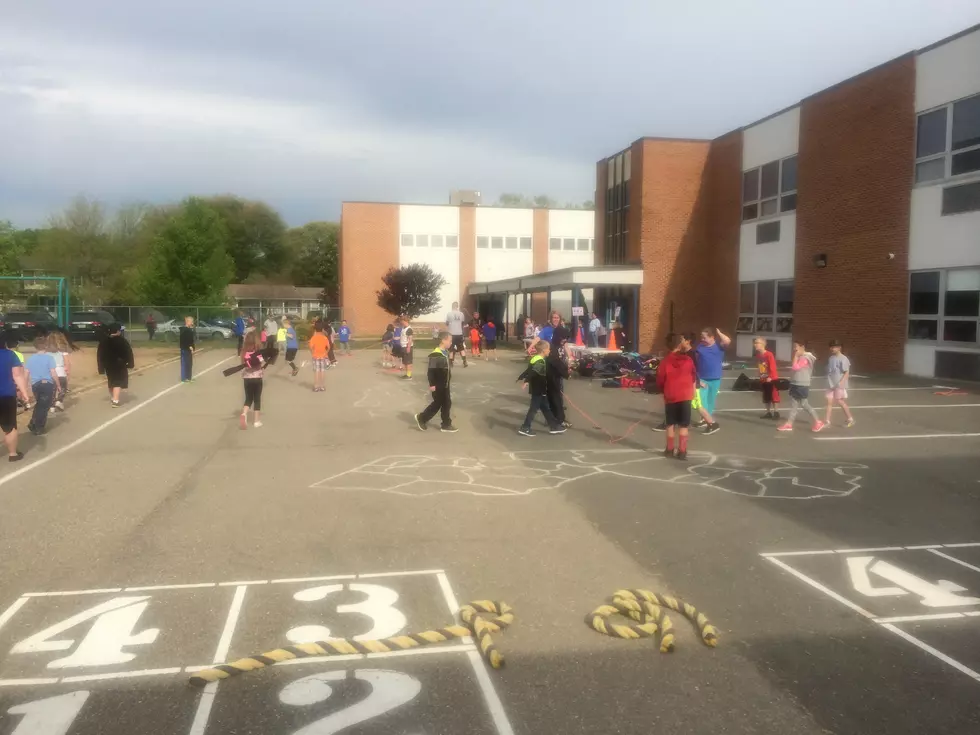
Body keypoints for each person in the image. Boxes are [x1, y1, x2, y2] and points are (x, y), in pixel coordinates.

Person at [656, 333, 697, 460]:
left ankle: (669, 449)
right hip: (685, 395)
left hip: (671, 395)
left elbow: (660, 379)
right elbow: (693, 376)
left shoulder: (665, 361)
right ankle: (682, 451)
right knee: (684, 425)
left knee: (670, 424)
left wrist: (662, 389)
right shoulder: (689, 360)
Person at [516, 342, 567, 437]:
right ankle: (525, 427)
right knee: (533, 409)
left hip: (538, 388)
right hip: (538, 389)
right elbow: (533, 372)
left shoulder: (535, 358)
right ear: (544, 351)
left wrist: (522, 376)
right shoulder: (540, 361)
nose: (549, 351)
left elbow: (529, 370)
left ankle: (554, 426)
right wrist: (526, 380)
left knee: (545, 408)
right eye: (548, 349)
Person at [415, 330, 457, 433]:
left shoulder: (445, 352)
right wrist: (432, 384)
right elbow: (431, 372)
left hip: (445, 383)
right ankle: (422, 418)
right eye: (450, 341)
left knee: (446, 403)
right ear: (443, 340)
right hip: (438, 384)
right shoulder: (436, 354)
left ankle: (445, 424)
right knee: (438, 403)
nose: (451, 343)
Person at [779, 340, 824, 432]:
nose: (794, 349)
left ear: (802, 347)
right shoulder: (801, 357)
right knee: (794, 405)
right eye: (794, 347)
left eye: (796, 347)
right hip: (795, 383)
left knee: (804, 404)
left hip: (802, 384)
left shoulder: (806, 358)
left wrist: (795, 356)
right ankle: (789, 424)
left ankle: (818, 422)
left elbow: (796, 367)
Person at [693, 327, 730, 433]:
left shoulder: (719, 346)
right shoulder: (700, 347)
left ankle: (706, 421)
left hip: (715, 378)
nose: (702, 339)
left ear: (712, 337)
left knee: (710, 401)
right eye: (701, 337)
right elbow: (695, 362)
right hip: (702, 378)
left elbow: (727, 341)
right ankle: (705, 419)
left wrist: (719, 333)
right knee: (701, 401)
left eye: (704, 337)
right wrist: (698, 378)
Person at [0, 334, 29, 461]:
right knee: (10, 426)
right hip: (6, 395)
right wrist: (24, 393)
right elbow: (17, 375)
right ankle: (12, 454)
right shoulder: (11, 355)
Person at [25, 336, 60, 434]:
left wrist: (25, 386)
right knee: (44, 406)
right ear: (46, 346)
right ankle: (38, 426)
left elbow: (26, 373)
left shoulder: (31, 359)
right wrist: (58, 384)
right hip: (47, 384)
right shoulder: (49, 358)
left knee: (39, 404)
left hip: (35, 384)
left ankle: (33, 421)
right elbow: (53, 372)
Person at [97, 323, 134, 408]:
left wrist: (101, 367)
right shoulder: (122, 341)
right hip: (119, 365)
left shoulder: (104, 341)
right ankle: (115, 400)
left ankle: (113, 397)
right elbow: (128, 353)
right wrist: (130, 363)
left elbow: (100, 355)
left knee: (111, 381)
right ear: (117, 331)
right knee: (117, 382)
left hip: (108, 365)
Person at [824, 339, 855, 428]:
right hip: (831, 383)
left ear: (839, 348)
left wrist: (842, 382)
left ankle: (850, 419)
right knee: (829, 401)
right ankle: (827, 421)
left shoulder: (843, 358)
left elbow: (846, 372)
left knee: (840, 401)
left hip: (839, 384)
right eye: (831, 347)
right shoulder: (831, 358)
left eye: (834, 347)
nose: (832, 349)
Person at [239, 330, 266, 429]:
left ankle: (244, 414)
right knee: (257, 399)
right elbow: (262, 362)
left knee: (248, 398)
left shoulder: (244, 353)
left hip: (247, 378)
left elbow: (244, 365)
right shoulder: (257, 353)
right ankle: (256, 421)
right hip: (257, 378)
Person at [545, 336, 571, 427]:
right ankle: (559, 420)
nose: (565, 340)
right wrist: (566, 373)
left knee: (553, 400)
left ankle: (552, 419)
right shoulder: (553, 348)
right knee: (555, 400)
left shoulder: (560, 347)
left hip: (555, 377)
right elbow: (556, 363)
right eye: (564, 338)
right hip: (552, 378)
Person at [754, 336, 780, 420]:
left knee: (774, 395)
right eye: (755, 343)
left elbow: (773, 366)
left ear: (763, 344)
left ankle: (776, 412)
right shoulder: (758, 355)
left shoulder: (769, 354)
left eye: (757, 343)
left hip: (771, 378)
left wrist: (771, 377)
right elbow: (760, 367)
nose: (755, 345)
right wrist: (760, 375)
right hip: (763, 378)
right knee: (766, 396)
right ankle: (768, 412)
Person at [47, 331, 72, 412]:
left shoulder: (47, 351)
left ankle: (52, 407)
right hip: (61, 371)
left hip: (50, 372)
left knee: (52, 390)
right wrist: (68, 371)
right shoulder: (63, 351)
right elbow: (67, 362)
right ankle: (59, 401)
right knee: (63, 388)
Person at [308, 321, 330, 392]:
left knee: (317, 371)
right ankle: (322, 386)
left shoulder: (313, 338)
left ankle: (316, 387)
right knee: (322, 371)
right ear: (322, 329)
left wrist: (313, 353)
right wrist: (325, 353)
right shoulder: (324, 338)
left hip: (316, 356)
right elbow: (328, 347)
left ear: (315, 329)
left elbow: (311, 347)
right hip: (323, 356)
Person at [445, 301, 468, 368]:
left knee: (451, 348)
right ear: (457, 306)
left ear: (452, 306)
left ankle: (451, 362)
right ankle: (464, 362)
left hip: (452, 333)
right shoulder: (461, 314)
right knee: (461, 348)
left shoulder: (449, 314)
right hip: (459, 333)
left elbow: (447, 323)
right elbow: (462, 323)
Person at [179, 316, 196, 383]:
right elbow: (184, 340)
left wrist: (192, 348)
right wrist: (189, 346)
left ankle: (189, 378)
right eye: (191, 322)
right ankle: (184, 378)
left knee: (189, 364)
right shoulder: (184, 330)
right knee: (185, 363)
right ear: (188, 322)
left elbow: (191, 339)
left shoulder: (189, 330)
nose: (192, 323)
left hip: (189, 349)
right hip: (185, 349)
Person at [399, 315, 414, 380]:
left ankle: (409, 376)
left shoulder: (409, 329)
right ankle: (407, 374)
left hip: (407, 347)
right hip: (403, 347)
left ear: (405, 321)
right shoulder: (403, 328)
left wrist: (408, 348)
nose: (401, 322)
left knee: (408, 362)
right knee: (405, 361)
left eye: (401, 321)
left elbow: (410, 339)